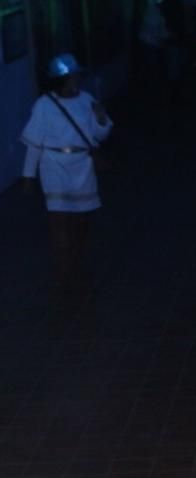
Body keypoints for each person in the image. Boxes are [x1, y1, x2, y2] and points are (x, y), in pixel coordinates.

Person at [21, 53, 113, 308]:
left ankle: (77, 262)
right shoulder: (44, 105)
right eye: (71, 77)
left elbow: (100, 134)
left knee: (82, 221)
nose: (75, 82)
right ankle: (63, 275)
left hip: (82, 168)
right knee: (60, 221)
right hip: (55, 169)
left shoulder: (86, 100)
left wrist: (101, 117)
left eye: (77, 77)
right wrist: (28, 175)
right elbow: (34, 143)